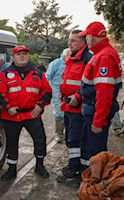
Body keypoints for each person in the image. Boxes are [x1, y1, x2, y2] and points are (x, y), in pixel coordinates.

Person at [0, 45, 52, 181]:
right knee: (12, 143)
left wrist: (40, 105)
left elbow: (47, 91)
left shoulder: (37, 73)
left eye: (25, 54)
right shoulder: (5, 74)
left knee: (40, 139)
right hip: (12, 115)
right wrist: (8, 107)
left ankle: (39, 165)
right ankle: (12, 169)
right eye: (19, 54)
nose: (22, 56)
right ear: (13, 57)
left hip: (32, 114)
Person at [75, 22, 121, 182]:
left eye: (86, 36)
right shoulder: (101, 53)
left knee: (95, 149)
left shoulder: (104, 57)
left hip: (96, 110)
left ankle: (96, 182)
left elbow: (104, 93)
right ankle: (86, 177)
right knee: (88, 145)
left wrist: (98, 120)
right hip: (92, 109)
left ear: (92, 38)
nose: (86, 39)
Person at [56, 30, 92, 187]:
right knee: (71, 138)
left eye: (73, 41)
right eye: (69, 40)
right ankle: (73, 166)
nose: (69, 44)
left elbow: (89, 84)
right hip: (68, 106)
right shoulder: (72, 57)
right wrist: (62, 93)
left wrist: (77, 97)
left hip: (79, 107)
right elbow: (69, 79)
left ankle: (80, 172)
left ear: (83, 42)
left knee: (77, 139)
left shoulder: (87, 59)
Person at [46, 48, 70, 143]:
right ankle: (59, 133)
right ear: (64, 56)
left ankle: (67, 134)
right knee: (59, 112)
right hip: (57, 92)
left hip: (69, 92)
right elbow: (47, 77)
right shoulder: (56, 64)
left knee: (69, 113)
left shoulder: (74, 63)